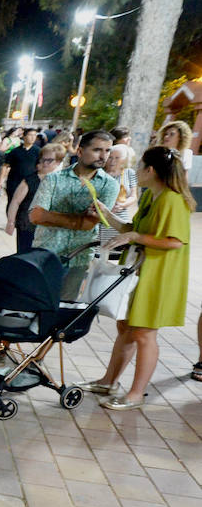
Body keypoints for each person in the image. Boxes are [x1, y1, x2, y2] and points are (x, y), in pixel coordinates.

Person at [79, 147, 192, 409]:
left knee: (143, 333)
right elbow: (133, 229)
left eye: (140, 166)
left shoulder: (172, 200)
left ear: (150, 170)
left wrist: (135, 237)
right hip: (141, 269)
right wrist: (106, 215)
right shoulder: (152, 195)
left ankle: (136, 394)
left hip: (160, 274)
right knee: (126, 327)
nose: (135, 172)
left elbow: (175, 241)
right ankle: (109, 381)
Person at [30, 128, 119, 299]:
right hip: (46, 252)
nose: (103, 156)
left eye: (107, 150)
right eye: (97, 150)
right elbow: (36, 216)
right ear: (79, 151)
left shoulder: (109, 185)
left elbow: (88, 225)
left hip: (79, 258)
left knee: (65, 305)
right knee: (36, 301)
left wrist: (51, 216)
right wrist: (78, 220)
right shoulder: (54, 179)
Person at [5, 144, 66, 254]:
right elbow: (15, 201)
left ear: (58, 162)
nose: (44, 163)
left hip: (49, 228)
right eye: (43, 159)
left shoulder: (60, 181)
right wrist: (11, 222)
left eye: (49, 160)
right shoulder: (30, 180)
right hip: (28, 225)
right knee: (25, 256)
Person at [105, 144, 139, 226]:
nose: (112, 161)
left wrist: (122, 205)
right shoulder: (100, 173)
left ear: (124, 159)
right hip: (100, 216)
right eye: (110, 157)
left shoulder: (129, 173)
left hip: (120, 217)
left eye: (117, 158)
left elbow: (133, 196)